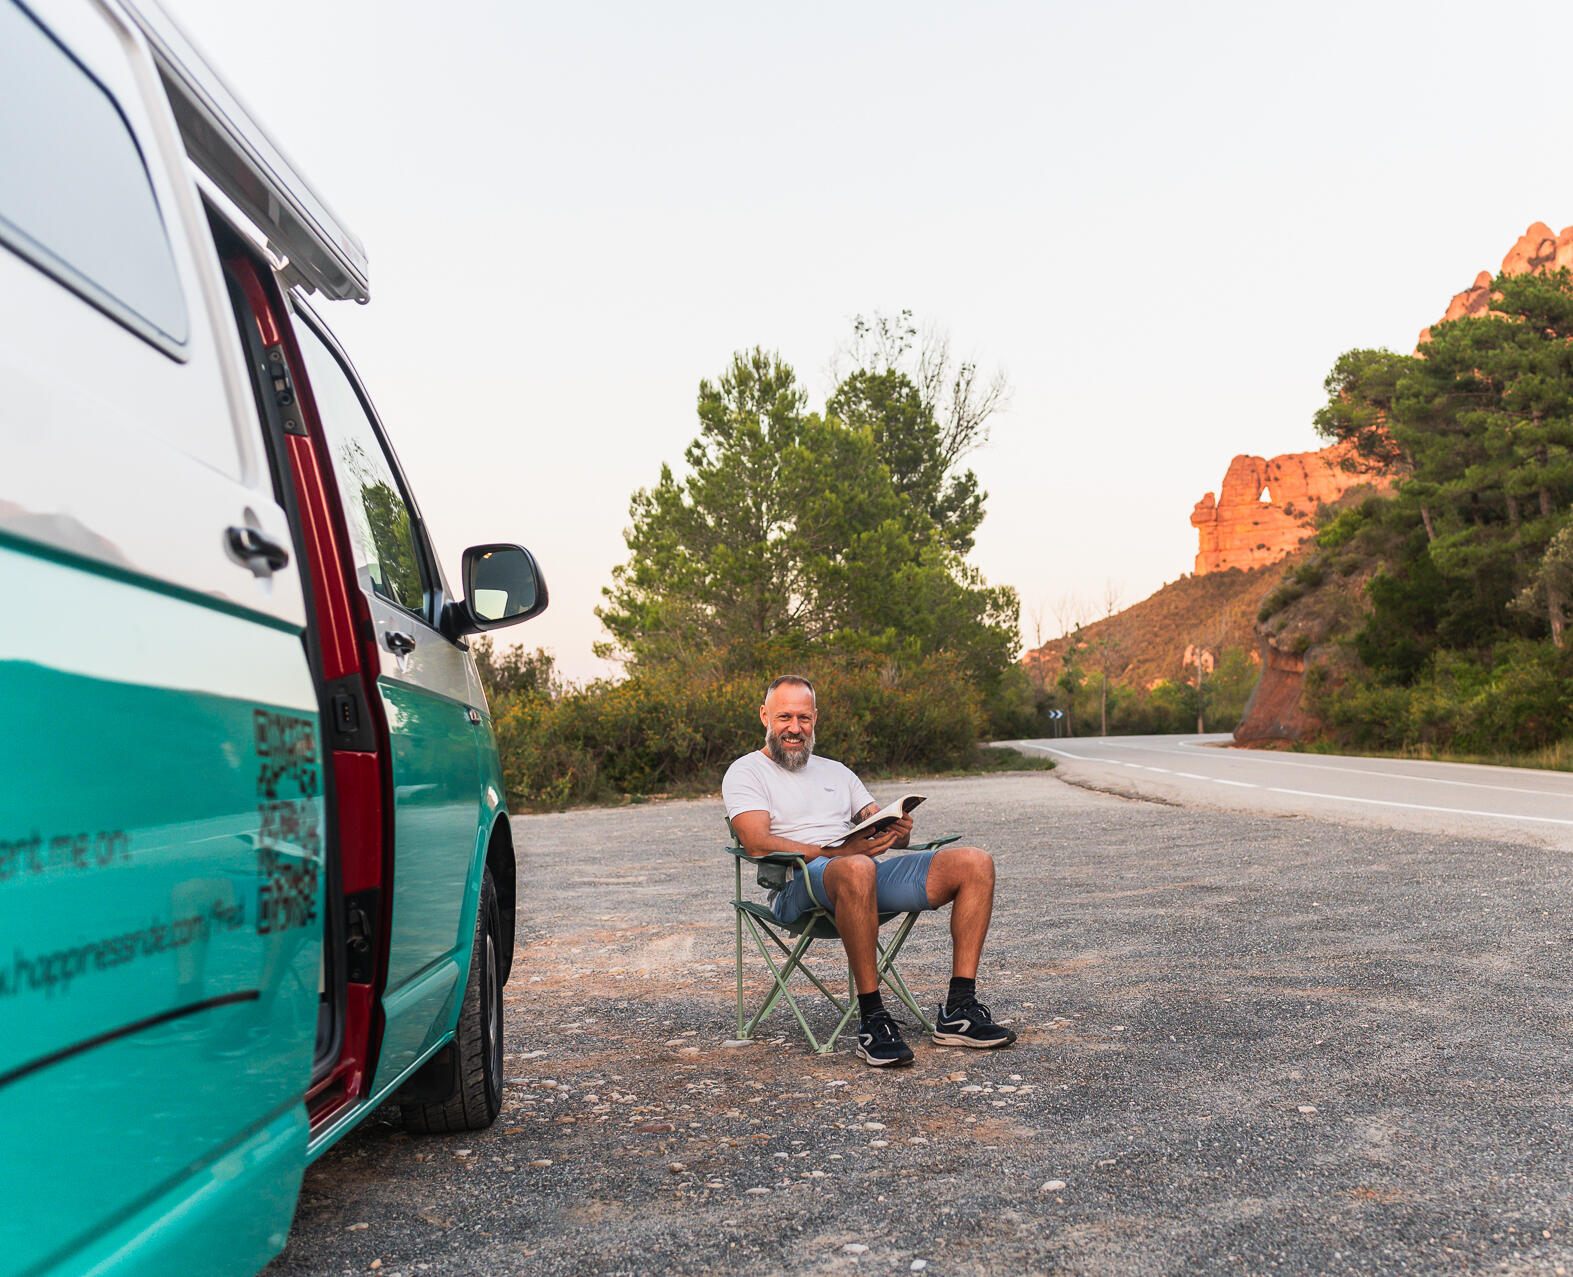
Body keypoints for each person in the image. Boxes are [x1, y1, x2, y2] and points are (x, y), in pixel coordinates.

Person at [723, 674, 1016, 1067]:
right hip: (797, 885)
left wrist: (898, 831)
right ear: (764, 716)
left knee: (975, 862)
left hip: (861, 878)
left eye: (804, 719)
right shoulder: (746, 772)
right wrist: (840, 851)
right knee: (857, 866)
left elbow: (874, 822)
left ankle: (959, 1010)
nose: (795, 728)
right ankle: (873, 1019)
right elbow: (758, 842)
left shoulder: (837, 772)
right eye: (784, 717)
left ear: (815, 719)